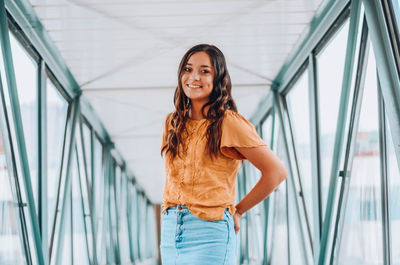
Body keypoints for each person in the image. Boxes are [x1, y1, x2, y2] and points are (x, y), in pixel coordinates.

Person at [160, 44, 287, 265]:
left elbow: (276, 172)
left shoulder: (227, 122)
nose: (194, 77)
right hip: (171, 231)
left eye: (204, 71)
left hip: (209, 233)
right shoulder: (172, 122)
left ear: (218, 78)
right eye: (188, 69)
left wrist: (238, 211)